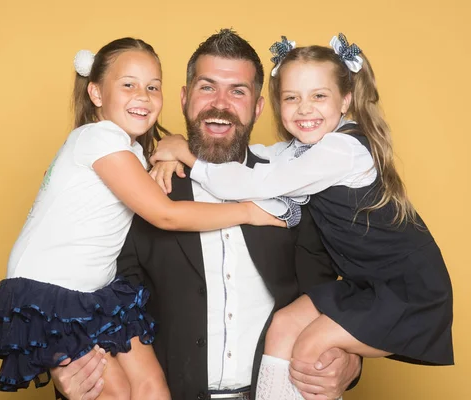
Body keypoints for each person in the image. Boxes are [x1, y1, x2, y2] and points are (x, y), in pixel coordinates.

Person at [56, 29, 362, 400]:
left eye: (238, 91)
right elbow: (92, 292)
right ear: (184, 98)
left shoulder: (297, 184)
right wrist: (70, 366)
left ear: (259, 106)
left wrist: (349, 360)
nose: (221, 103)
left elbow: (328, 295)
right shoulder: (140, 188)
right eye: (207, 87)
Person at [0, 37, 284, 400]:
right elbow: (165, 214)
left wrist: (174, 152)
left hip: (97, 292)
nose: (143, 95)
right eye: (128, 85)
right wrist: (250, 210)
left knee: (152, 388)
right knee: (115, 392)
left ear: (259, 106)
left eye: (153, 87)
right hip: (52, 291)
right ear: (96, 93)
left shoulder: (137, 154)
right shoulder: (98, 138)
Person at [150, 33, 454, 399]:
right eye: (292, 98)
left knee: (309, 352)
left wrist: (187, 154)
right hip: (364, 283)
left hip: (404, 286)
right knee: (284, 325)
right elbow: (262, 157)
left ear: (345, 100)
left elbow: (260, 179)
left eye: (319, 96)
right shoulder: (304, 152)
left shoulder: (341, 150)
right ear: (277, 105)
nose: (305, 109)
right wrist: (174, 153)